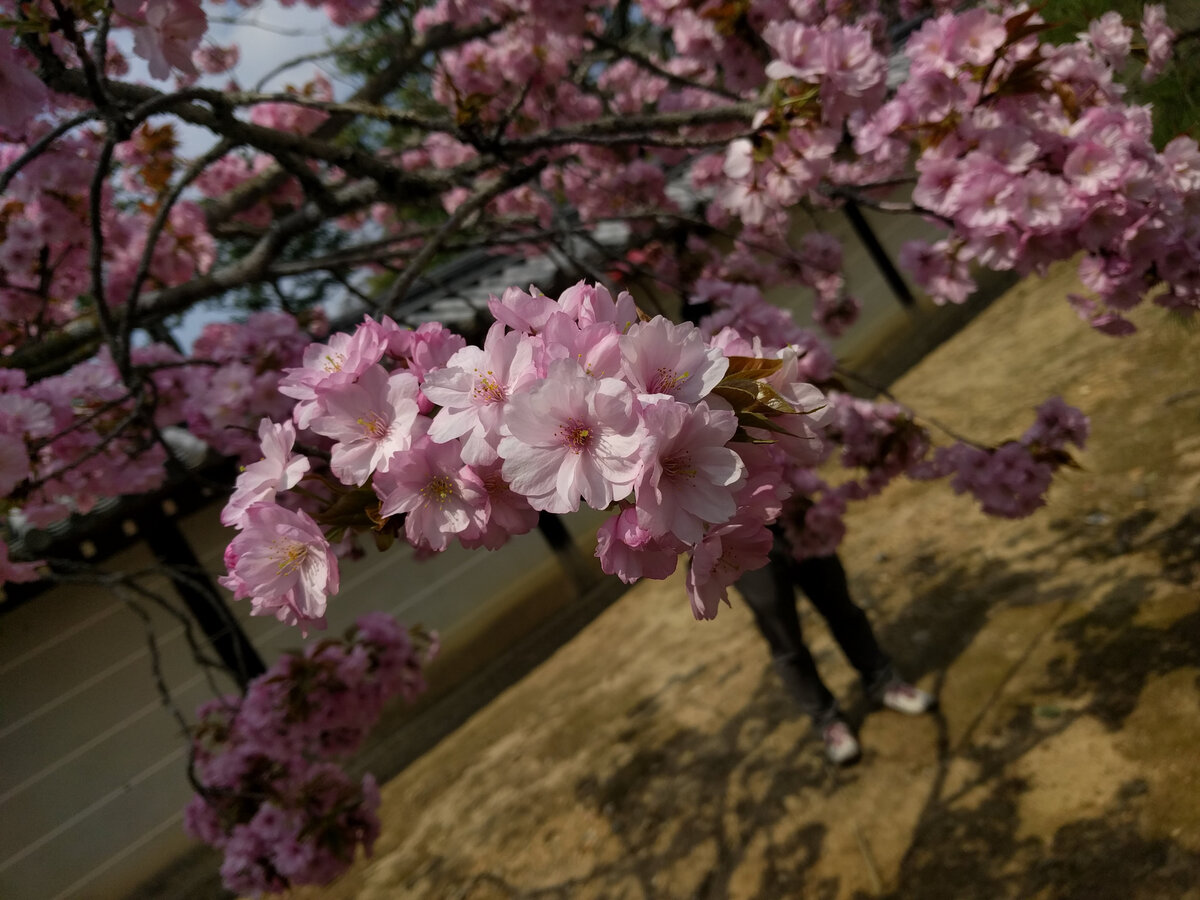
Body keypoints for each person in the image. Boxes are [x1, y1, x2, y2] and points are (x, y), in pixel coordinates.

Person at [735, 530, 934, 764]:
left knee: (841, 607)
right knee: (785, 641)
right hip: (738, 541)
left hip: (792, 514)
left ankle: (882, 681)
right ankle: (826, 720)